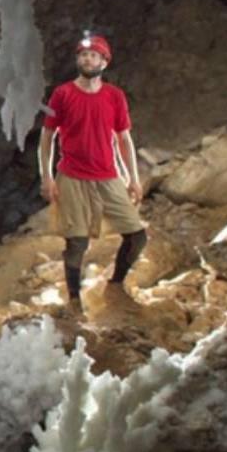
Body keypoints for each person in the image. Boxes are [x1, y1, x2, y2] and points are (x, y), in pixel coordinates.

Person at [38, 32, 148, 312]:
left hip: (108, 176)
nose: (88, 59)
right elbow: (47, 136)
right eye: (84, 55)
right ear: (78, 60)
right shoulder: (62, 94)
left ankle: (116, 284)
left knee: (137, 236)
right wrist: (47, 176)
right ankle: (75, 300)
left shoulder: (114, 96)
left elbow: (123, 139)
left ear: (104, 62)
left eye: (94, 55)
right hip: (72, 176)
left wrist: (133, 178)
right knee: (77, 242)